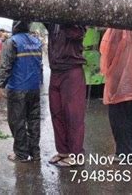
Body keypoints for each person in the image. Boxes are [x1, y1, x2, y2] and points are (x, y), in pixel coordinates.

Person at [100, 29, 132, 159]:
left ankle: (123, 152)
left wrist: (107, 68)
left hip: (121, 74)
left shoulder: (119, 25)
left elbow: (111, 48)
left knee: (118, 113)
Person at [0, 21, 42, 162]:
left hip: (18, 88)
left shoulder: (12, 42)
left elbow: (5, 66)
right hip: (34, 88)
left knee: (17, 121)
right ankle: (35, 153)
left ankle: (21, 154)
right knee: (33, 121)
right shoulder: (36, 42)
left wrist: (0, 85)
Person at [45, 23, 86, 167]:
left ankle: (76, 154)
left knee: (73, 115)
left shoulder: (76, 19)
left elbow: (76, 33)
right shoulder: (51, 22)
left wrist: (64, 19)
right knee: (56, 112)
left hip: (71, 71)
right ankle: (63, 151)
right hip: (55, 71)